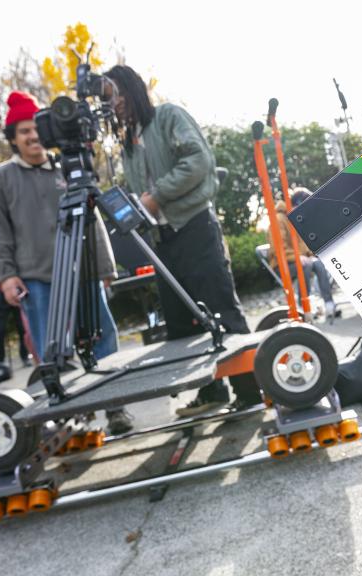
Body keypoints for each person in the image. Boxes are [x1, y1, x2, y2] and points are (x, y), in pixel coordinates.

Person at [103, 65, 261, 417]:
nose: (111, 105)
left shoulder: (168, 117)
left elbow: (198, 160)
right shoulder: (128, 141)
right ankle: (211, 391)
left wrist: (156, 196)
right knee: (179, 320)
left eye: (114, 96)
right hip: (161, 237)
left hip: (194, 225)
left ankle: (250, 390)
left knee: (220, 306)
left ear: (131, 90)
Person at [0, 91, 133, 435]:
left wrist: (105, 267)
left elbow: (93, 220)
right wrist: (6, 276)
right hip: (36, 276)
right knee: (52, 351)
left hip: (82, 270)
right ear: (13, 139)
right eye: (22, 131)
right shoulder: (0, 178)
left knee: (104, 339)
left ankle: (115, 409)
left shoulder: (68, 168)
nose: (32, 136)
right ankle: (70, 417)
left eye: (35, 128)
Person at [268, 187, 336, 321]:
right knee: (305, 265)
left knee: (319, 264)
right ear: (298, 205)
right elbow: (278, 248)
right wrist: (298, 257)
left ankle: (329, 304)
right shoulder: (279, 219)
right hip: (282, 264)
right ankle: (303, 305)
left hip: (302, 261)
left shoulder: (296, 218)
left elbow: (304, 246)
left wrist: (313, 254)